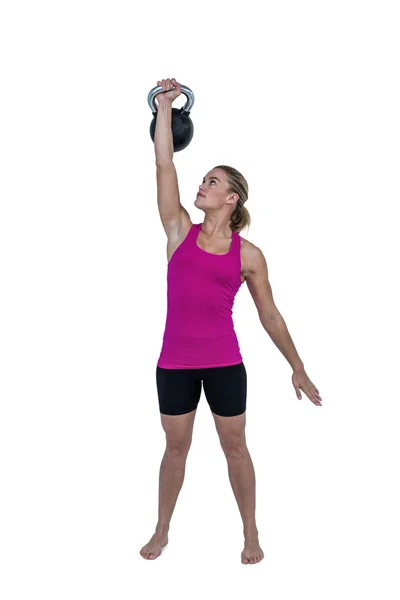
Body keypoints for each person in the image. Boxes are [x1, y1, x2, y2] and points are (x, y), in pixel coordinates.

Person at [140, 78, 323, 564]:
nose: (202, 185)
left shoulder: (251, 255)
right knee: (175, 448)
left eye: (212, 182)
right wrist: (163, 107)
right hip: (174, 363)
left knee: (235, 448)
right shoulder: (179, 231)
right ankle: (161, 529)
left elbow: (270, 314)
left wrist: (297, 366)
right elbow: (164, 162)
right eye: (203, 179)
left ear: (232, 199)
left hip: (224, 363)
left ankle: (250, 533)